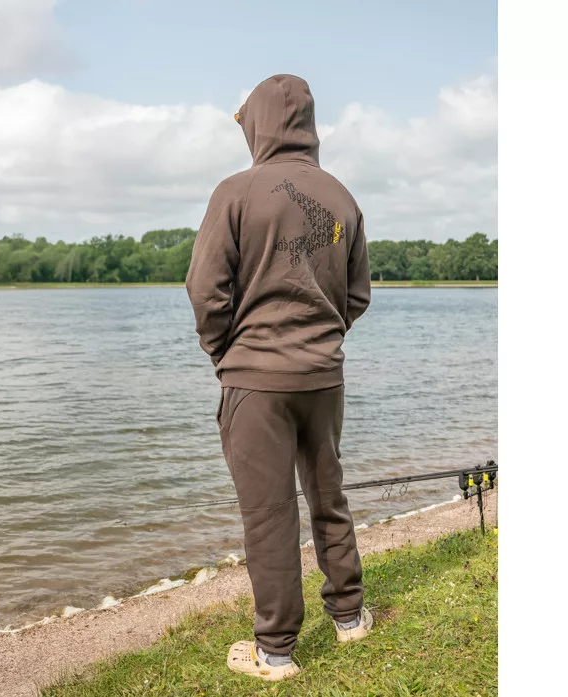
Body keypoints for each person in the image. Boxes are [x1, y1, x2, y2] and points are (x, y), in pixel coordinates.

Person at [185, 74, 373, 681]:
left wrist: (226, 354)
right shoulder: (342, 197)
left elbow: (205, 290)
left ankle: (275, 652)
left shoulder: (235, 193)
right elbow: (357, 295)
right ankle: (350, 617)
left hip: (256, 381)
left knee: (269, 516)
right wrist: (320, 341)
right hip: (323, 377)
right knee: (328, 496)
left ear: (258, 124)